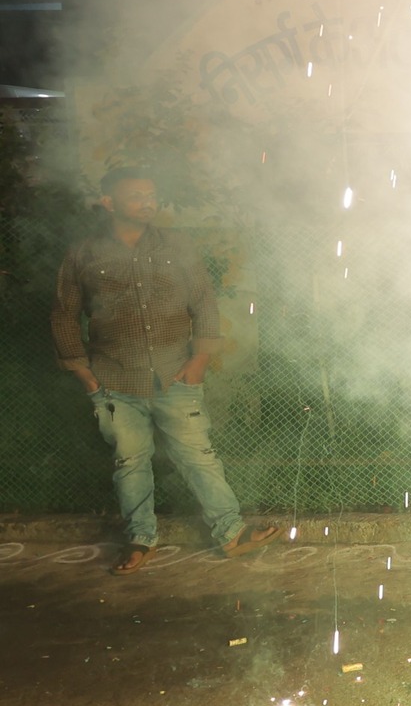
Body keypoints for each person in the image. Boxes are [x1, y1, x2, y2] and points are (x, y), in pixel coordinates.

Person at [51, 168, 280, 573]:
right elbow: (64, 314)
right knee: (130, 463)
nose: (148, 202)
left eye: (151, 194)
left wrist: (199, 360)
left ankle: (231, 533)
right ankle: (141, 540)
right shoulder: (84, 252)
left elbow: (203, 301)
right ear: (109, 203)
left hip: (175, 374)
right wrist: (82, 371)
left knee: (198, 456)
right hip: (115, 379)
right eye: (136, 196)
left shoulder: (177, 245)